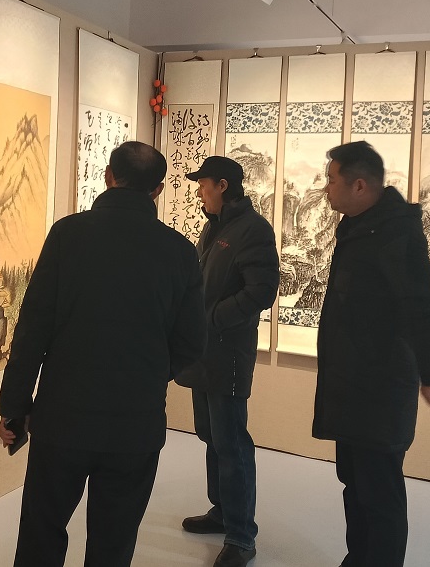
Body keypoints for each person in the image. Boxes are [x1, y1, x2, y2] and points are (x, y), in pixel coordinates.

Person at [0, 141, 207, 567]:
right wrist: (151, 373)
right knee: (114, 540)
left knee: (41, 531)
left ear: (108, 176)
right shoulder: (179, 251)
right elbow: (192, 342)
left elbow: (32, 329)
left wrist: (14, 407)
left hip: (63, 414)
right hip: (136, 421)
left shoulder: (68, 234)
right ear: (158, 189)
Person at [313, 141, 430, 567]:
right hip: (351, 384)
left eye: (331, 179)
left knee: (380, 492)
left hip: (380, 389)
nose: (326, 187)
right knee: (354, 483)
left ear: (359, 185)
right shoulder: (359, 227)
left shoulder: (394, 234)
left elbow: (425, 306)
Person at [180, 156, 279, 567]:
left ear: (223, 185)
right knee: (210, 435)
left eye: (203, 184)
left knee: (232, 442)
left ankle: (241, 536)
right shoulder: (214, 227)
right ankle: (221, 511)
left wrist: (212, 318)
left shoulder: (253, 230)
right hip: (203, 352)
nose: (199, 192)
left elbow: (262, 291)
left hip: (229, 353)